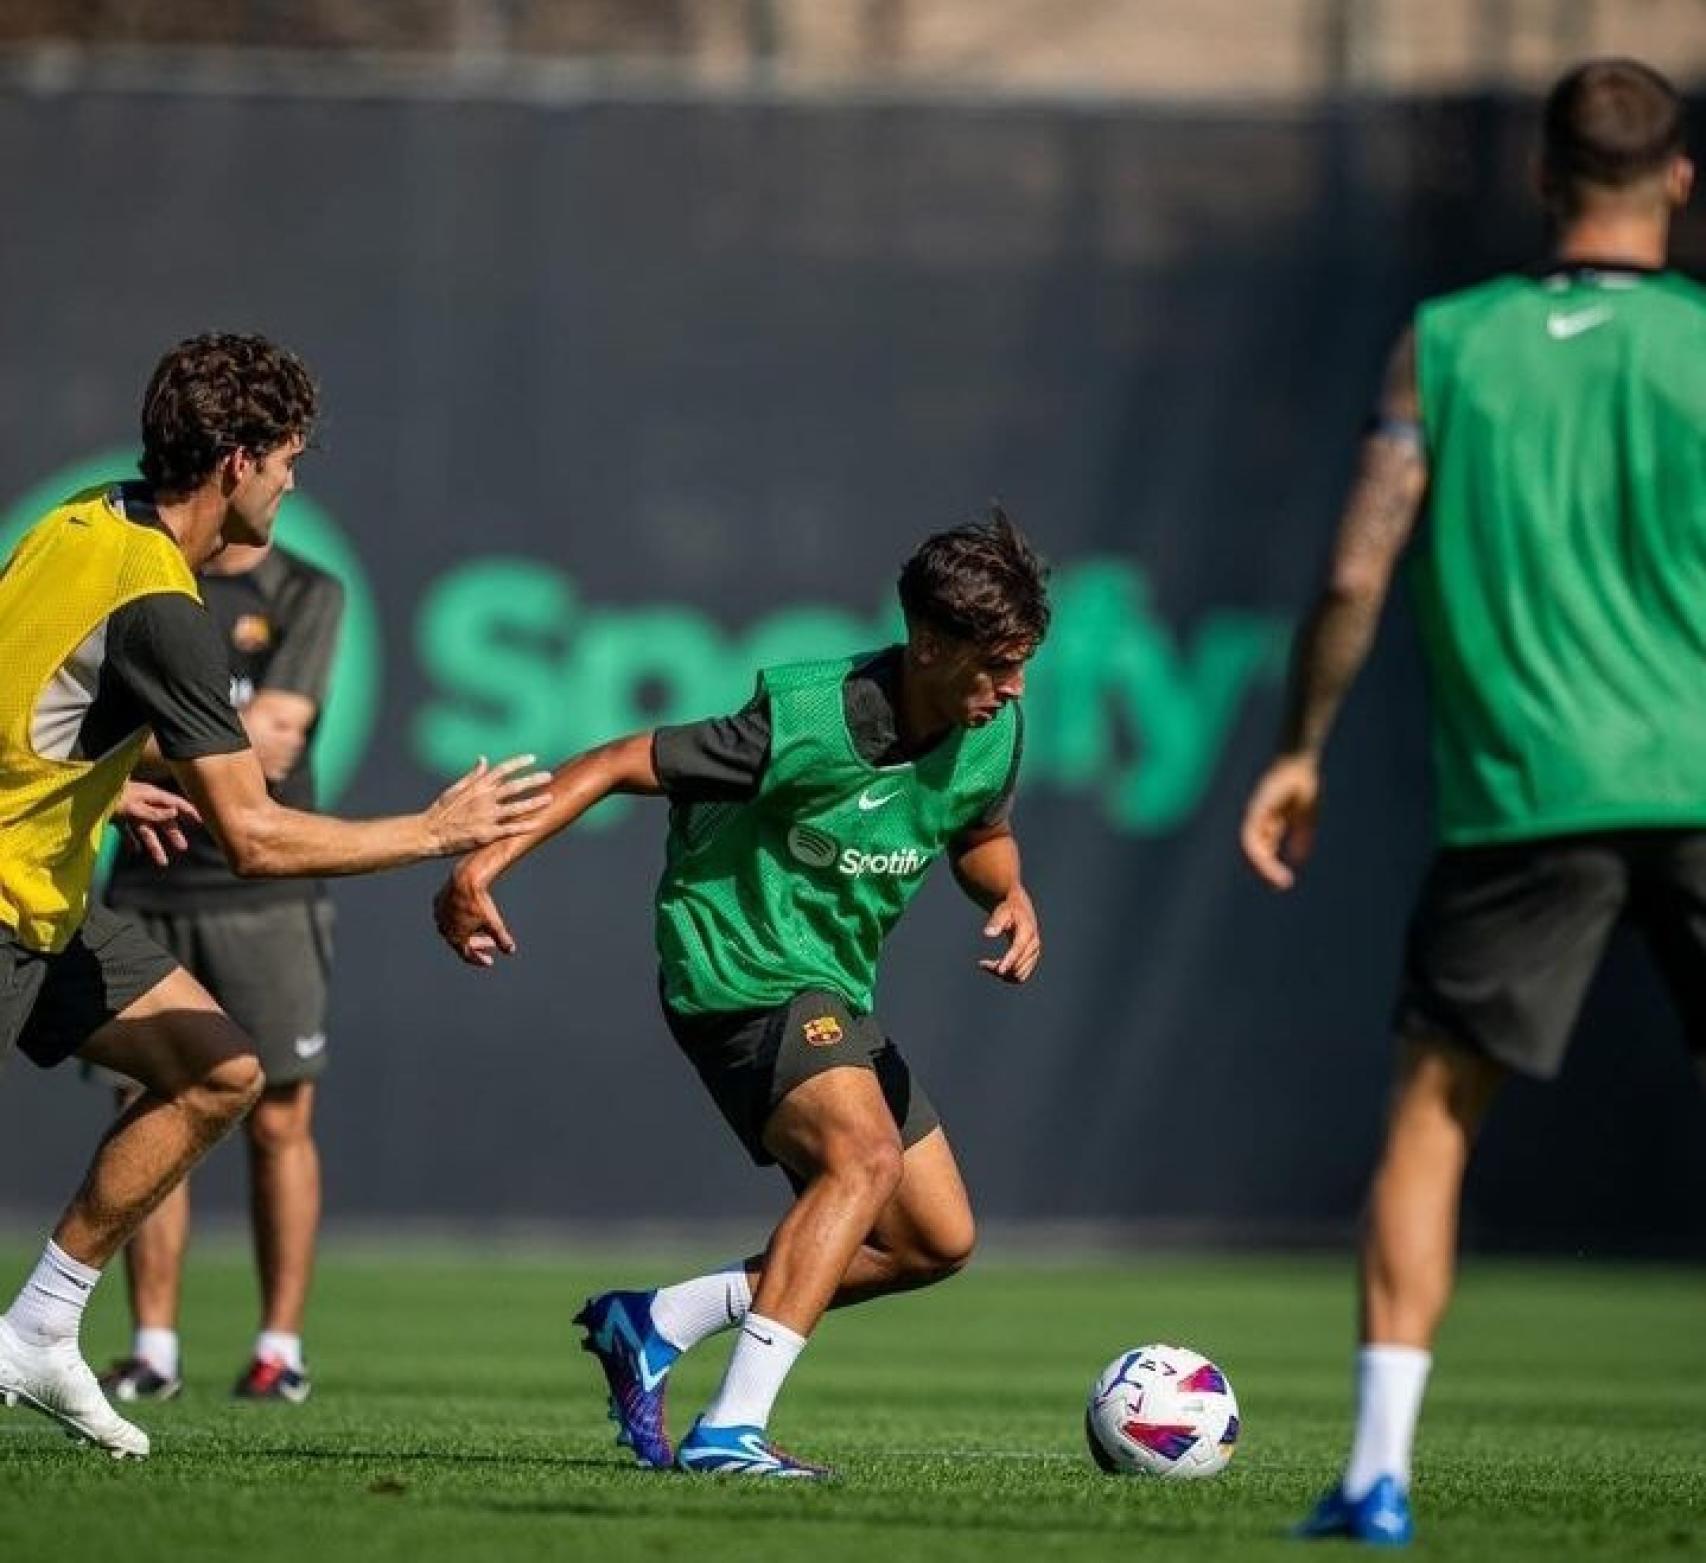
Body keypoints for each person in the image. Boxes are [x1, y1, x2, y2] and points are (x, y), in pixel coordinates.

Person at [1240, 60, 1703, 1548]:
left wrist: (1300, 743)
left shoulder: (1450, 344)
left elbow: (1354, 573)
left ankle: (1376, 1471)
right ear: (1676, 182)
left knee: (1432, 1123)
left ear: (1539, 183)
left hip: (1521, 793)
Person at [0, 332, 549, 1459]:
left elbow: (36, 695)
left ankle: (41, 1333)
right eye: (289, 459)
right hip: (9, 902)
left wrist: (105, 786)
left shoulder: (83, 521)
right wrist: (436, 832)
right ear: (238, 461)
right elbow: (251, 835)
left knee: (220, 1069)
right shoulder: (165, 605)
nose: (294, 483)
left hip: (47, 893)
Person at [435, 511, 1049, 1478]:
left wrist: (1008, 891)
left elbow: (978, 833)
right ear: (930, 644)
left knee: (936, 1239)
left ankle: (657, 1320)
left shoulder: (992, 728)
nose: (1014, 687)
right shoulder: (804, 724)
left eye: (1023, 664)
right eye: (997, 664)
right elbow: (608, 763)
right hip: (735, 969)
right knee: (863, 1160)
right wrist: (482, 866)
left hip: (831, 983)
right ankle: (730, 1431)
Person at [97, 535, 345, 1405]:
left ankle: (280, 1347)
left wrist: (134, 748)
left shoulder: (305, 589)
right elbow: (80, 721)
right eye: (272, 459)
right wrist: (180, 746)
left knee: (279, 1116)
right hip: (148, 879)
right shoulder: (148, 578)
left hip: (266, 893)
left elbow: (276, 741)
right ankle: (153, 1347)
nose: (279, 483)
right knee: (144, 1107)